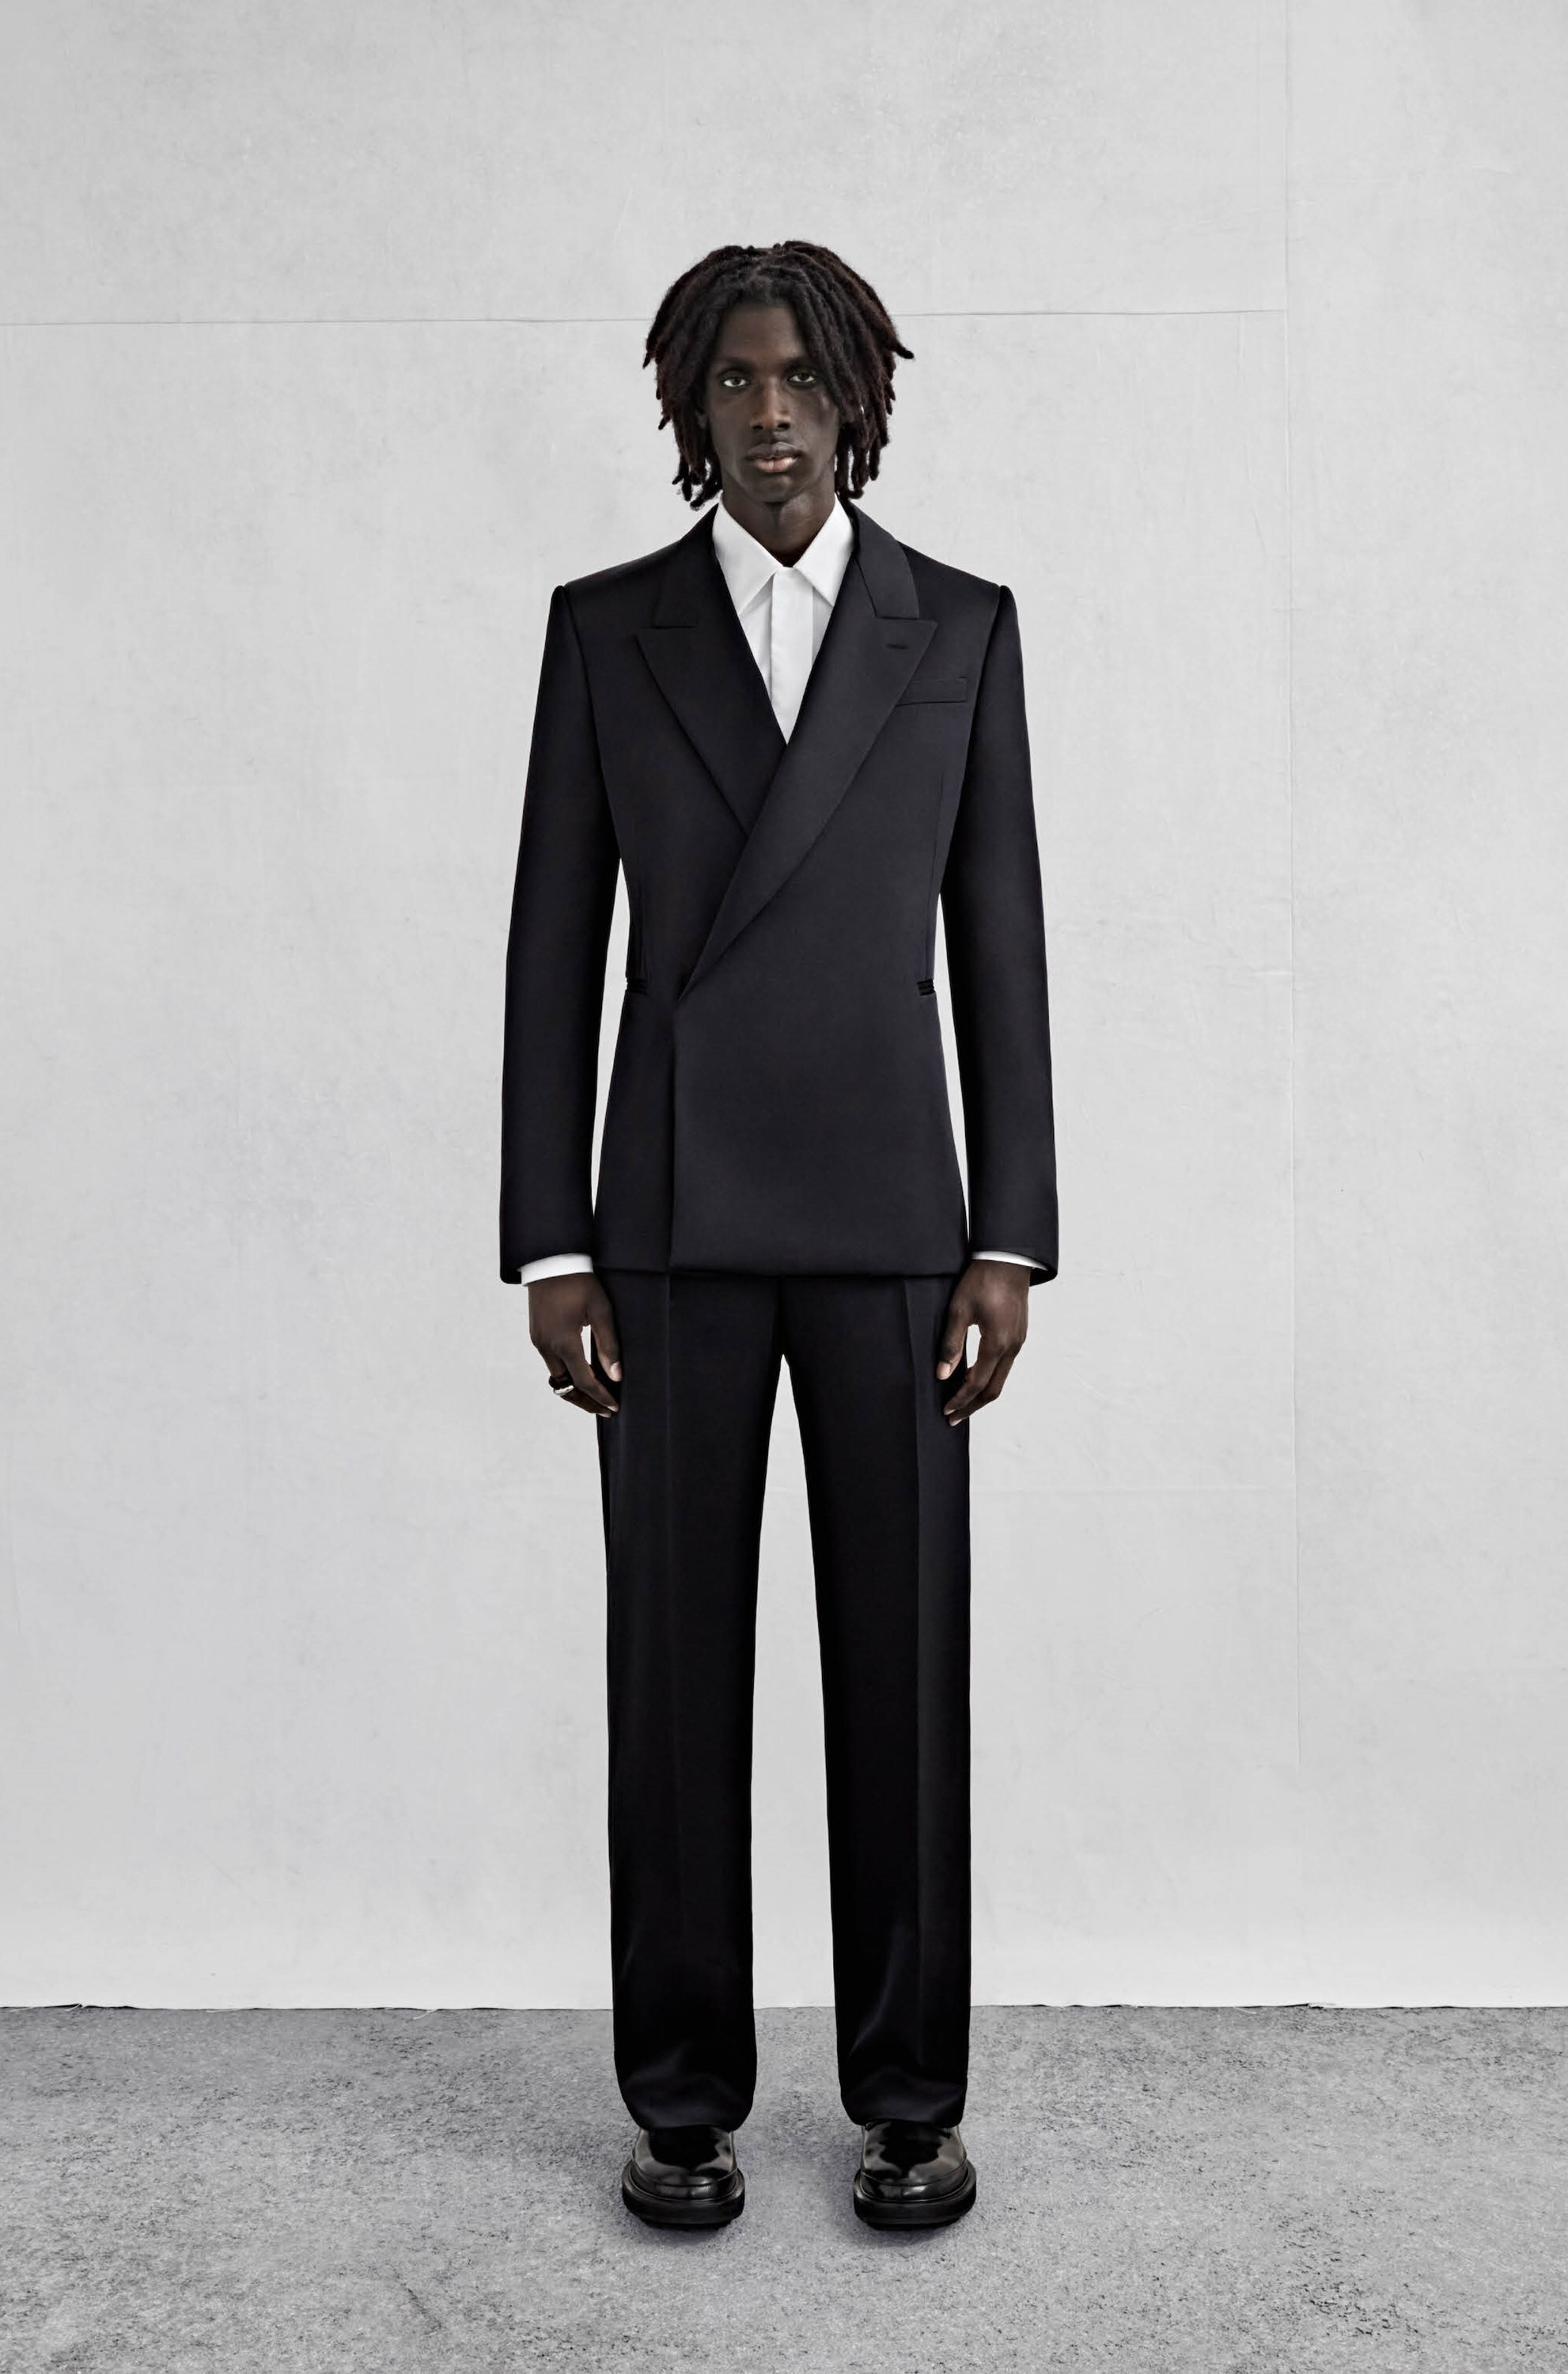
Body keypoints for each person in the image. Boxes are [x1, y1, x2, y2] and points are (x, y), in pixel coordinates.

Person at [499, 240, 1057, 2230]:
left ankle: (909, 2098)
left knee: (902, 1672)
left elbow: (999, 943)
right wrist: (549, 1245)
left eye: (799, 378)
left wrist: (1011, 1238)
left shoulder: (957, 627)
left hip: (899, 1219)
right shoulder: (608, 629)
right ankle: (681, 2100)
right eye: (732, 380)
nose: (768, 414)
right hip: (665, 1222)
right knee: (673, 1682)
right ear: (689, 406)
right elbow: (551, 947)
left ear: (854, 400)